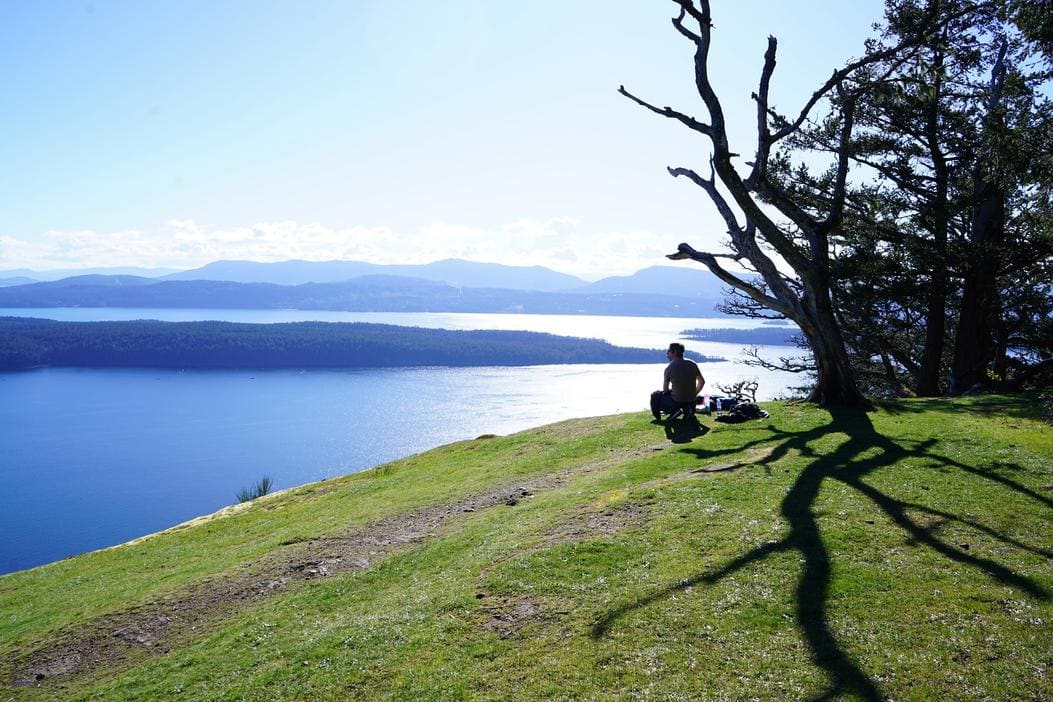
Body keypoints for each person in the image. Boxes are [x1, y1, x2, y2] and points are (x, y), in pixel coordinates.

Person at [651, 342, 705, 420]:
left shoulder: (670, 368)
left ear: (675, 352)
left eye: (669, 351)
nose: (667, 353)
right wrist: (694, 393)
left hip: (677, 400)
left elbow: (665, 390)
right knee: (683, 398)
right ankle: (688, 411)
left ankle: (672, 412)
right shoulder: (692, 364)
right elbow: (702, 382)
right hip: (691, 400)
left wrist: (672, 390)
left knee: (655, 395)